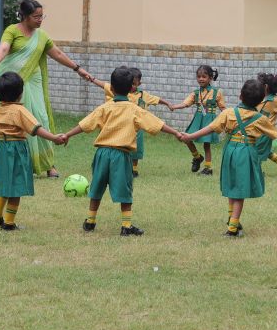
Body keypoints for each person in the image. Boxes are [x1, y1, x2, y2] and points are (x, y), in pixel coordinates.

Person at [60, 67, 184, 236]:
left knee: (97, 187)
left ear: (111, 88)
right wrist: (176, 133)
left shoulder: (105, 107)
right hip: (121, 155)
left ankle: (90, 221)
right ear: (132, 88)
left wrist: (67, 134)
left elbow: (85, 124)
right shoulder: (135, 109)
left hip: (102, 153)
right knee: (125, 189)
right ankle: (126, 226)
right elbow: (157, 124)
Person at [185, 79, 277, 237]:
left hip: (230, 151)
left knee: (231, 186)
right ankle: (233, 228)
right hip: (245, 153)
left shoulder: (228, 112)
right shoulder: (260, 118)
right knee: (240, 190)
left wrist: (189, 136)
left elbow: (210, 128)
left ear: (240, 96)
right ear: (260, 100)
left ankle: (233, 223)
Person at [0, 0, 92, 179]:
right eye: (36, 16)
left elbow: (57, 53)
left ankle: (48, 164)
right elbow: (4, 47)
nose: (40, 20)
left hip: (33, 81)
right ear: (25, 16)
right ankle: (22, 163)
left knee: (40, 118)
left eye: (41, 16)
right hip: (13, 82)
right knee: (16, 120)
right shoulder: (12, 30)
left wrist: (78, 69)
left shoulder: (42, 36)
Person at [0, 71, 65, 231]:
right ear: (20, 93)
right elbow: (35, 129)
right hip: (16, 148)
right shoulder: (19, 110)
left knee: (4, 182)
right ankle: (9, 223)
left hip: (1, 148)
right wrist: (53, 138)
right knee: (16, 185)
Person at [90, 67, 172, 177]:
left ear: (139, 83)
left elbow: (156, 99)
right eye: (130, 83)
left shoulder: (143, 95)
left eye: (134, 84)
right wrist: (92, 79)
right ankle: (116, 166)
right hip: (122, 125)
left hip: (137, 126)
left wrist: (168, 104)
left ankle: (134, 169)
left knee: (137, 149)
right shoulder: (122, 92)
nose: (132, 86)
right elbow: (104, 85)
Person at [165, 65, 224, 175]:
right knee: (185, 138)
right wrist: (174, 106)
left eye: (204, 77)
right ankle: (197, 157)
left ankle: (208, 168)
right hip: (198, 119)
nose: (201, 79)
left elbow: (223, 108)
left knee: (207, 144)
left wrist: (230, 118)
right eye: (199, 76)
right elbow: (185, 104)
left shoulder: (217, 92)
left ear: (210, 78)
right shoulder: (195, 93)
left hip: (209, 120)